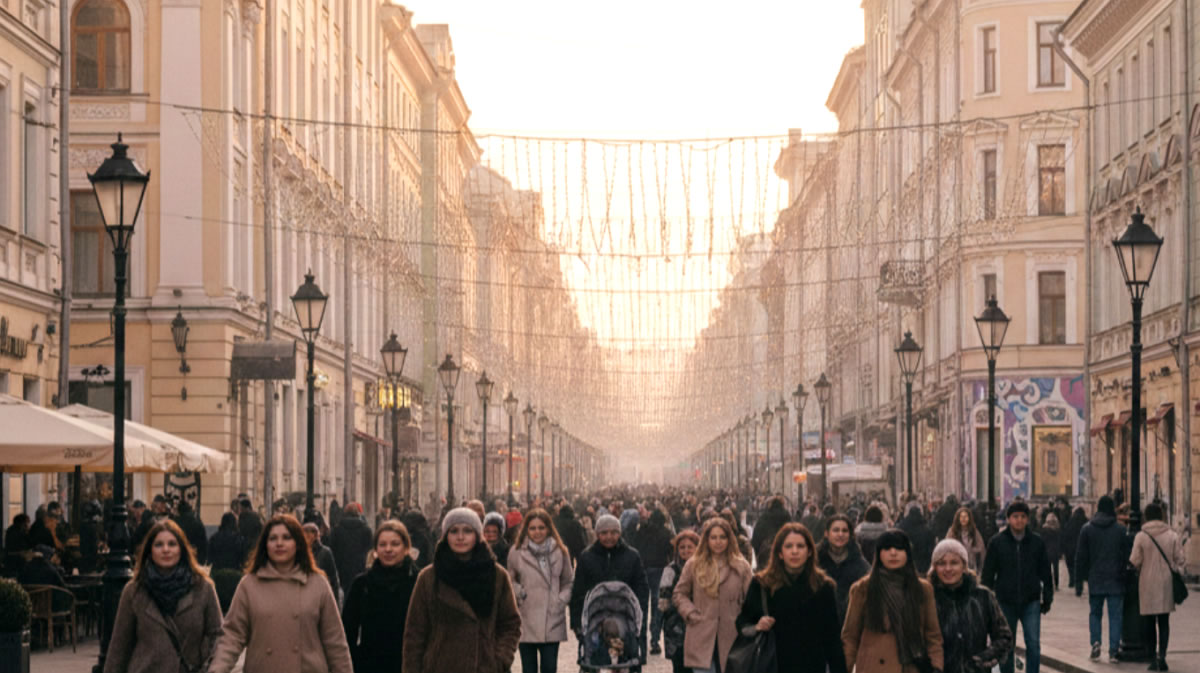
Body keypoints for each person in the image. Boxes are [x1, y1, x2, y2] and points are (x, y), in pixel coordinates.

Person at [208, 514, 352, 673]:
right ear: (265, 545)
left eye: (286, 537)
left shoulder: (317, 584)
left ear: (298, 544)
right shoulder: (249, 585)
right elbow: (232, 636)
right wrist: (217, 669)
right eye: (273, 539)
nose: (279, 543)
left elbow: (335, 642)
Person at [402, 507, 522, 673]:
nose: (460, 537)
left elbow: (510, 623)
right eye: (454, 531)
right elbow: (415, 633)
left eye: (467, 531)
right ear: (445, 535)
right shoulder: (429, 578)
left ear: (477, 535)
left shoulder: (496, 575)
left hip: (484, 667)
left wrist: (499, 660)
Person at [104, 520, 223, 673]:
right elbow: (119, 648)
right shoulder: (134, 591)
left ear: (182, 549)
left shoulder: (203, 588)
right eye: (159, 545)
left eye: (172, 544)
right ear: (150, 550)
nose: (166, 550)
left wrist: (211, 669)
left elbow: (218, 637)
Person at [737, 522, 846, 673]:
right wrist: (757, 626)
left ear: (809, 551)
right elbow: (742, 622)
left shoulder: (823, 587)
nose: (794, 552)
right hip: (773, 665)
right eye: (788, 546)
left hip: (812, 666)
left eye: (800, 546)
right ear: (780, 553)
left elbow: (833, 639)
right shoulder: (762, 584)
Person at [842, 529, 944, 673]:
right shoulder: (863, 589)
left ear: (907, 553)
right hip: (873, 667)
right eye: (887, 548)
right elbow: (850, 637)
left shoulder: (922, 589)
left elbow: (933, 636)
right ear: (879, 553)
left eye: (899, 548)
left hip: (911, 666)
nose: (893, 553)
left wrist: (936, 667)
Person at [671, 517, 753, 673]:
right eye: (713, 537)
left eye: (722, 537)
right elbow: (679, 594)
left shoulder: (741, 566)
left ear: (729, 539)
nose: (718, 542)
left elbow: (751, 599)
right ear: (706, 539)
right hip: (701, 633)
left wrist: (744, 621)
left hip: (733, 635)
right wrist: (690, 613)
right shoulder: (694, 564)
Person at [981, 501, 1053, 673]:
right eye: (1015, 517)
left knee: (1033, 644)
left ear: (1027, 519)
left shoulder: (1037, 542)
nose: (1019, 520)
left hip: (1031, 600)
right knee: (1006, 644)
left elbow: (1045, 571)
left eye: (1022, 517)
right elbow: (988, 575)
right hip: (1005, 601)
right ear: (1008, 519)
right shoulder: (997, 542)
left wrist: (1047, 596)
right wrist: (986, 601)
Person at [570, 513, 650, 662]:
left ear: (620, 533)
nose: (609, 537)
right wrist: (577, 623)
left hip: (626, 617)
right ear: (597, 534)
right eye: (604, 533)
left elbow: (641, 588)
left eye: (614, 532)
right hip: (596, 619)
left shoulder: (632, 556)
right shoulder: (587, 557)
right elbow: (578, 592)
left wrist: (640, 617)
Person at [341, 521, 420, 673]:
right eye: (382, 545)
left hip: (408, 665)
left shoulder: (418, 582)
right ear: (376, 549)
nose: (388, 549)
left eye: (395, 544)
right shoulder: (362, 584)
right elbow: (347, 631)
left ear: (406, 547)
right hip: (370, 665)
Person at [929, 539, 1013, 673]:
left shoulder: (983, 597)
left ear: (964, 565)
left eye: (954, 563)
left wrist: (985, 658)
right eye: (941, 563)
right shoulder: (928, 598)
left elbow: (1004, 636)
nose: (948, 569)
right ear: (934, 567)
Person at [508, 508, 574, 673]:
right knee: (528, 669)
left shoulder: (561, 551)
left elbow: (568, 581)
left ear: (548, 529)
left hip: (551, 618)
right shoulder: (516, 552)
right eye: (532, 528)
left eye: (541, 528)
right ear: (526, 529)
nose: (537, 532)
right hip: (527, 616)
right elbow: (510, 580)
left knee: (549, 668)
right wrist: (519, 593)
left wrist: (560, 600)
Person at [1129, 502, 1185, 672]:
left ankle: (1153, 658)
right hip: (1166, 583)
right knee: (1164, 622)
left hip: (1147, 583)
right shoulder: (1172, 535)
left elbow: (1135, 560)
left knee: (1148, 623)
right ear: (1161, 516)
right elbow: (1180, 559)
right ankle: (1163, 656)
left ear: (1146, 516)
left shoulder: (1141, 536)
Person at [1075, 495, 1128, 662]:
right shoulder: (1120, 530)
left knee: (1095, 613)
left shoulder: (1087, 529)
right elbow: (1126, 556)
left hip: (1095, 578)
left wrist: (1078, 582)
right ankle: (1113, 650)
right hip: (1116, 579)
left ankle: (1096, 642)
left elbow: (1081, 557)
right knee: (1115, 616)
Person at [817, 514, 871, 625]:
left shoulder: (860, 564)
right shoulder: (815, 561)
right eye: (836, 530)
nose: (840, 534)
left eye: (844, 531)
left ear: (850, 535)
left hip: (850, 623)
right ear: (827, 534)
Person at [633, 508, 674, 655]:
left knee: (642, 605)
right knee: (657, 605)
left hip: (643, 569)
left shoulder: (642, 530)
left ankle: (640, 638)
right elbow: (671, 552)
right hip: (660, 570)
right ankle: (655, 641)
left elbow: (635, 547)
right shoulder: (666, 533)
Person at [659, 530, 699, 673]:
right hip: (675, 628)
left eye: (690, 547)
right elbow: (663, 601)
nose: (686, 550)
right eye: (682, 547)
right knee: (680, 666)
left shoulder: (703, 568)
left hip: (697, 624)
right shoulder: (670, 570)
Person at [331, 503, 373, 594]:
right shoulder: (366, 530)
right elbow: (370, 549)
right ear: (358, 514)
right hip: (360, 566)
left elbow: (332, 549)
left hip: (342, 567)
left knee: (346, 591)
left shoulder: (337, 530)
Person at [750, 496, 791, 569]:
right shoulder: (787, 516)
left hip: (766, 553)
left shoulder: (764, 517)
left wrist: (758, 552)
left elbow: (756, 537)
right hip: (783, 552)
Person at [303, 522, 341, 601]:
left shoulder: (325, 552)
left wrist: (335, 600)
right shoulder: (300, 552)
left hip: (320, 595)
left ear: (314, 535)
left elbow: (333, 578)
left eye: (306, 534)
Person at [172, 501, 208, 566]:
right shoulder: (197, 523)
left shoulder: (174, 523)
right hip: (193, 557)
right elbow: (203, 544)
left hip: (178, 557)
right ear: (190, 510)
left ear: (179, 511)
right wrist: (201, 560)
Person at [1062, 506, 1088, 590]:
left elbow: (1065, 535)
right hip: (1082, 548)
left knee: (1071, 565)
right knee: (1080, 566)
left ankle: (1071, 580)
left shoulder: (1070, 522)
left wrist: (1064, 548)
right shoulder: (1086, 522)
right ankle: (1079, 584)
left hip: (1070, 548)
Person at [1040, 513, 1061, 591]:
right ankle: (1056, 584)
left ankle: (1048, 584)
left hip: (1047, 551)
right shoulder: (1057, 529)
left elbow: (1042, 541)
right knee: (1056, 569)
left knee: (1047, 569)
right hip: (1055, 551)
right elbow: (1059, 541)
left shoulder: (1044, 529)